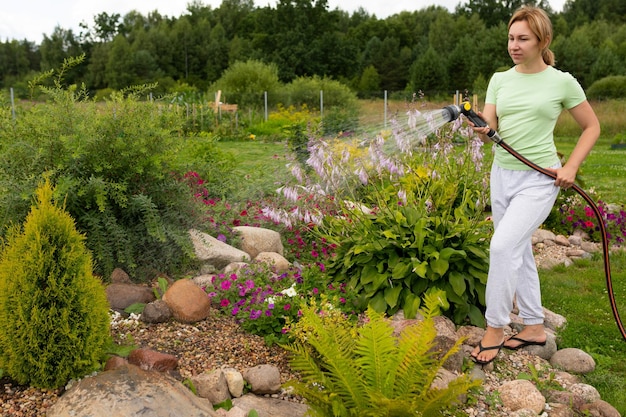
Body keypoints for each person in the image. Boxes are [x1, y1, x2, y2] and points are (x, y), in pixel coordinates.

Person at [469, 5, 601, 365]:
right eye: (511, 38)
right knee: (517, 249)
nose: (514, 45)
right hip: (503, 174)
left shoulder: (562, 81)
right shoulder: (500, 79)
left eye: (523, 38)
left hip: (540, 178)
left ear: (542, 40)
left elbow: (592, 127)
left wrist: (571, 166)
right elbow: (491, 126)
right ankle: (533, 326)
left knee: (501, 246)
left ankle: (495, 326)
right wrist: (481, 127)